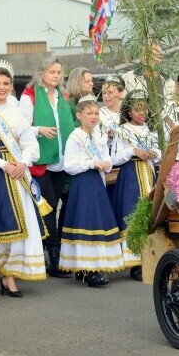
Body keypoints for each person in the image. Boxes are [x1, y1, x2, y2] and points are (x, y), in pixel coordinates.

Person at [0, 60, 48, 295]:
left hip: (18, 173)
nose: (2, 87)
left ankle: (10, 276)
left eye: (6, 83)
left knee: (22, 226)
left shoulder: (16, 111)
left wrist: (23, 162)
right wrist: (4, 164)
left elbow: (30, 144)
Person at [59, 96, 123, 287]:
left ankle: (92, 266)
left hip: (97, 183)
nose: (94, 117)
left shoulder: (99, 136)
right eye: (89, 113)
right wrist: (91, 163)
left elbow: (107, 158)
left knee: (98, 222)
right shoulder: (75, 136)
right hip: (83, 184)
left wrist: (106, 163)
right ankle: (88, 268)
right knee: (87, 222)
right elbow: (68, 165)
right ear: (79, 115)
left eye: (96, 113)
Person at [19, 58, 75, 278]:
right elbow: (21, 128)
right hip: (40, 162)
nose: (56, 75)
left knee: (57, 205)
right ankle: (53, 256)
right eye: (52, 71)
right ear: (41, 72)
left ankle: (56, 254)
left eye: (59, 72)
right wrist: (39, 129)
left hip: (61, 160)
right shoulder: (30, 95)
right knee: (48, 206)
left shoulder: (63, 96)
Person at [111, 90, 161, 280]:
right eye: (137, 109)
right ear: (129, 112)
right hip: (131, 176)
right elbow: (114, 157)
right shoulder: (122, 130)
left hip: (148, 174)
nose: (142, 113)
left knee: (150, 213)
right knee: (132, 213)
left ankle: (151, 258)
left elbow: (161, 152)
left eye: (145, 109)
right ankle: (135, 262)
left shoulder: (151, 130)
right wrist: (132, 151)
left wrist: (155, 153)